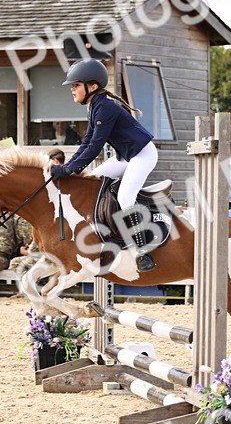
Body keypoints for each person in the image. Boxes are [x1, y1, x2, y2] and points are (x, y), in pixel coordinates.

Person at [50, 58, 161, 272]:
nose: (72, 89)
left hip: (143, 155)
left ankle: (142, 252)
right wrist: (69, 167)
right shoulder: (95, 106)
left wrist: (69, 169)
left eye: (76, 85)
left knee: (125, 198)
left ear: (92, 87)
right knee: (92, 181)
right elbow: (87, 142)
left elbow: (95, 147)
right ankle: (104, 234)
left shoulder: (105, 108)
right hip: (126, 156)